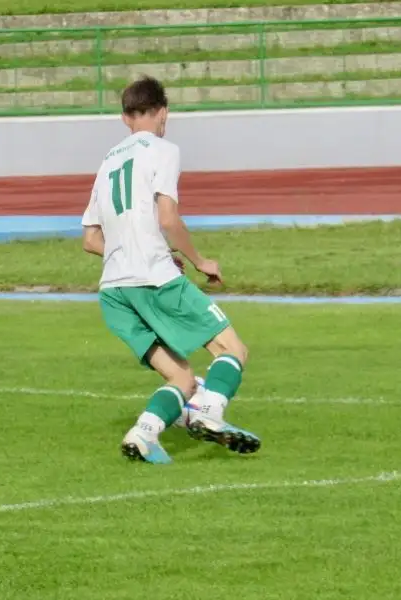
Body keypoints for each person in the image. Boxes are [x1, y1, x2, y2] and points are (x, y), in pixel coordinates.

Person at [81, 77, 261, 464]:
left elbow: (90, 239)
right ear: (163, 111)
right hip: (154, 278)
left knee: (181, 378)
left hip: (114, 291)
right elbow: (168, 218)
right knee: (233, 348)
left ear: (124, 117)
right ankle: (209, 414)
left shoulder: (107, 161)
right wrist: (199, 261)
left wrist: (137, 249)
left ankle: (144, 433)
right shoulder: (163, 149)